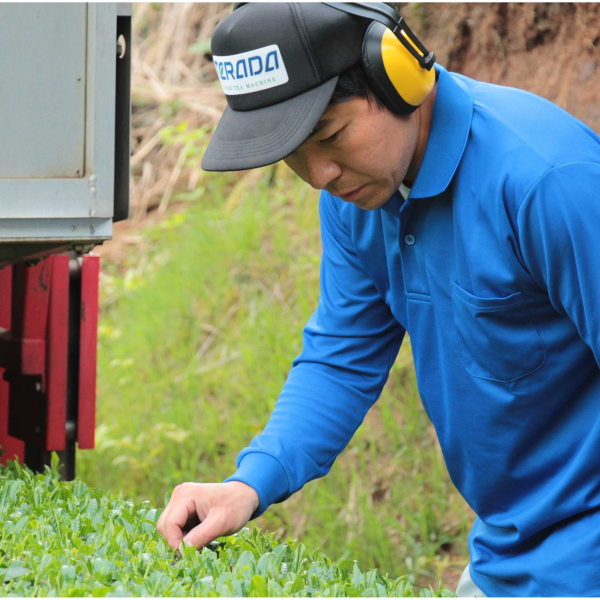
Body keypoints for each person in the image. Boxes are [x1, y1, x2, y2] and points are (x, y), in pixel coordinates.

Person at [156, 3, 600, 596]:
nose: (318, 175)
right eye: (292, 156)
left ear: (399, 78)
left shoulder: (548, 180)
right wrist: (249, 485)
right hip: (506, 552)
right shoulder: (355, 199)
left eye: (330, 136)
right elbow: (342, 359)